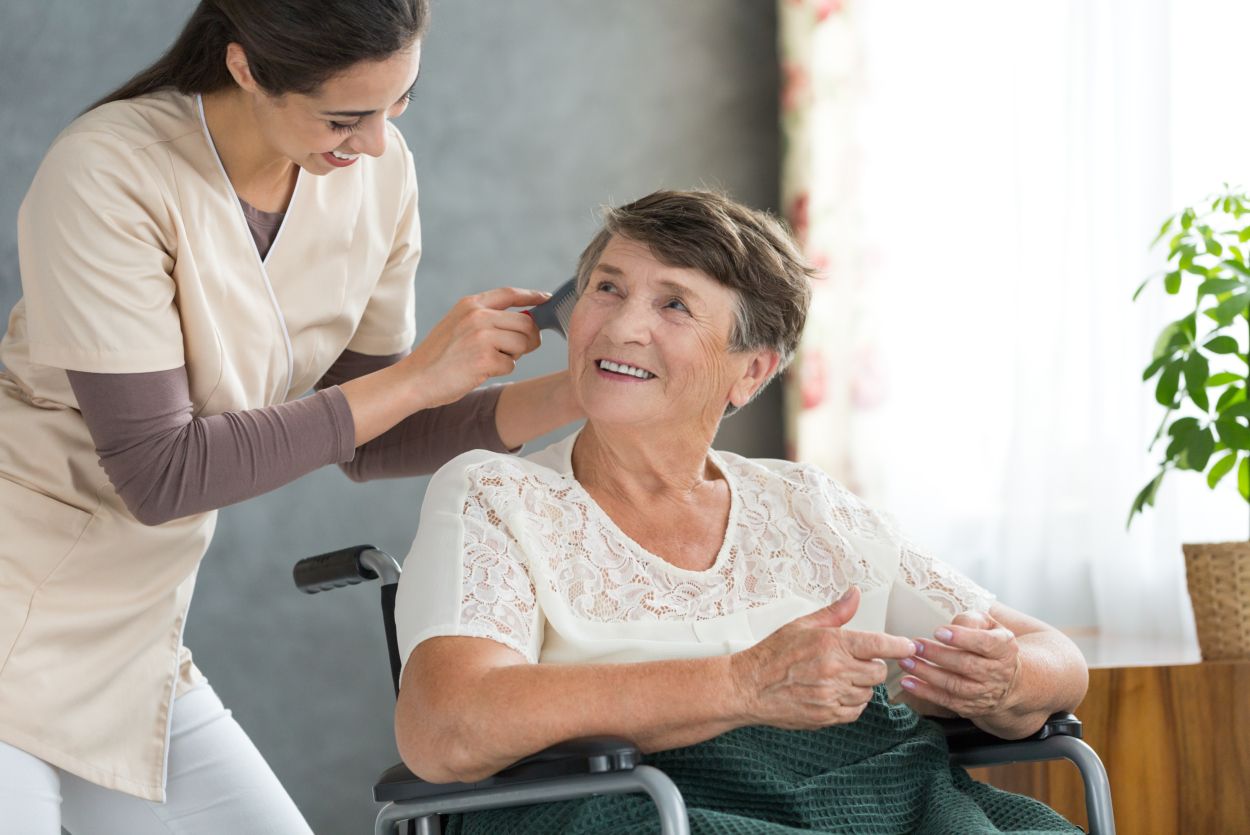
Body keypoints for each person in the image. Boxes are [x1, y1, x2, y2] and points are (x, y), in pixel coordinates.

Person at [0, 1, 582, 832]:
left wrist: (573, 395)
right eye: (346, 117)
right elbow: (161, 473)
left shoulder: (374, 173)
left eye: (398, 104)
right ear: (244, 67)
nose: (377, 141)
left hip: (132, 632)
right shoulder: (108, 171)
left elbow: (373, 434)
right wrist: (419, 375)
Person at [393, 190, 1090, 834]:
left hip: (881, 798)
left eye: (674, 305)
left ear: (751, 371)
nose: (622, 326)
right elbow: (446, 726)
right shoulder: (495, 495)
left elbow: (1056, 656)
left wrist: (1005, 680)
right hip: (639, 809)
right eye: (607, 288)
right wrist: (742, 684)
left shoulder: (807, 504)